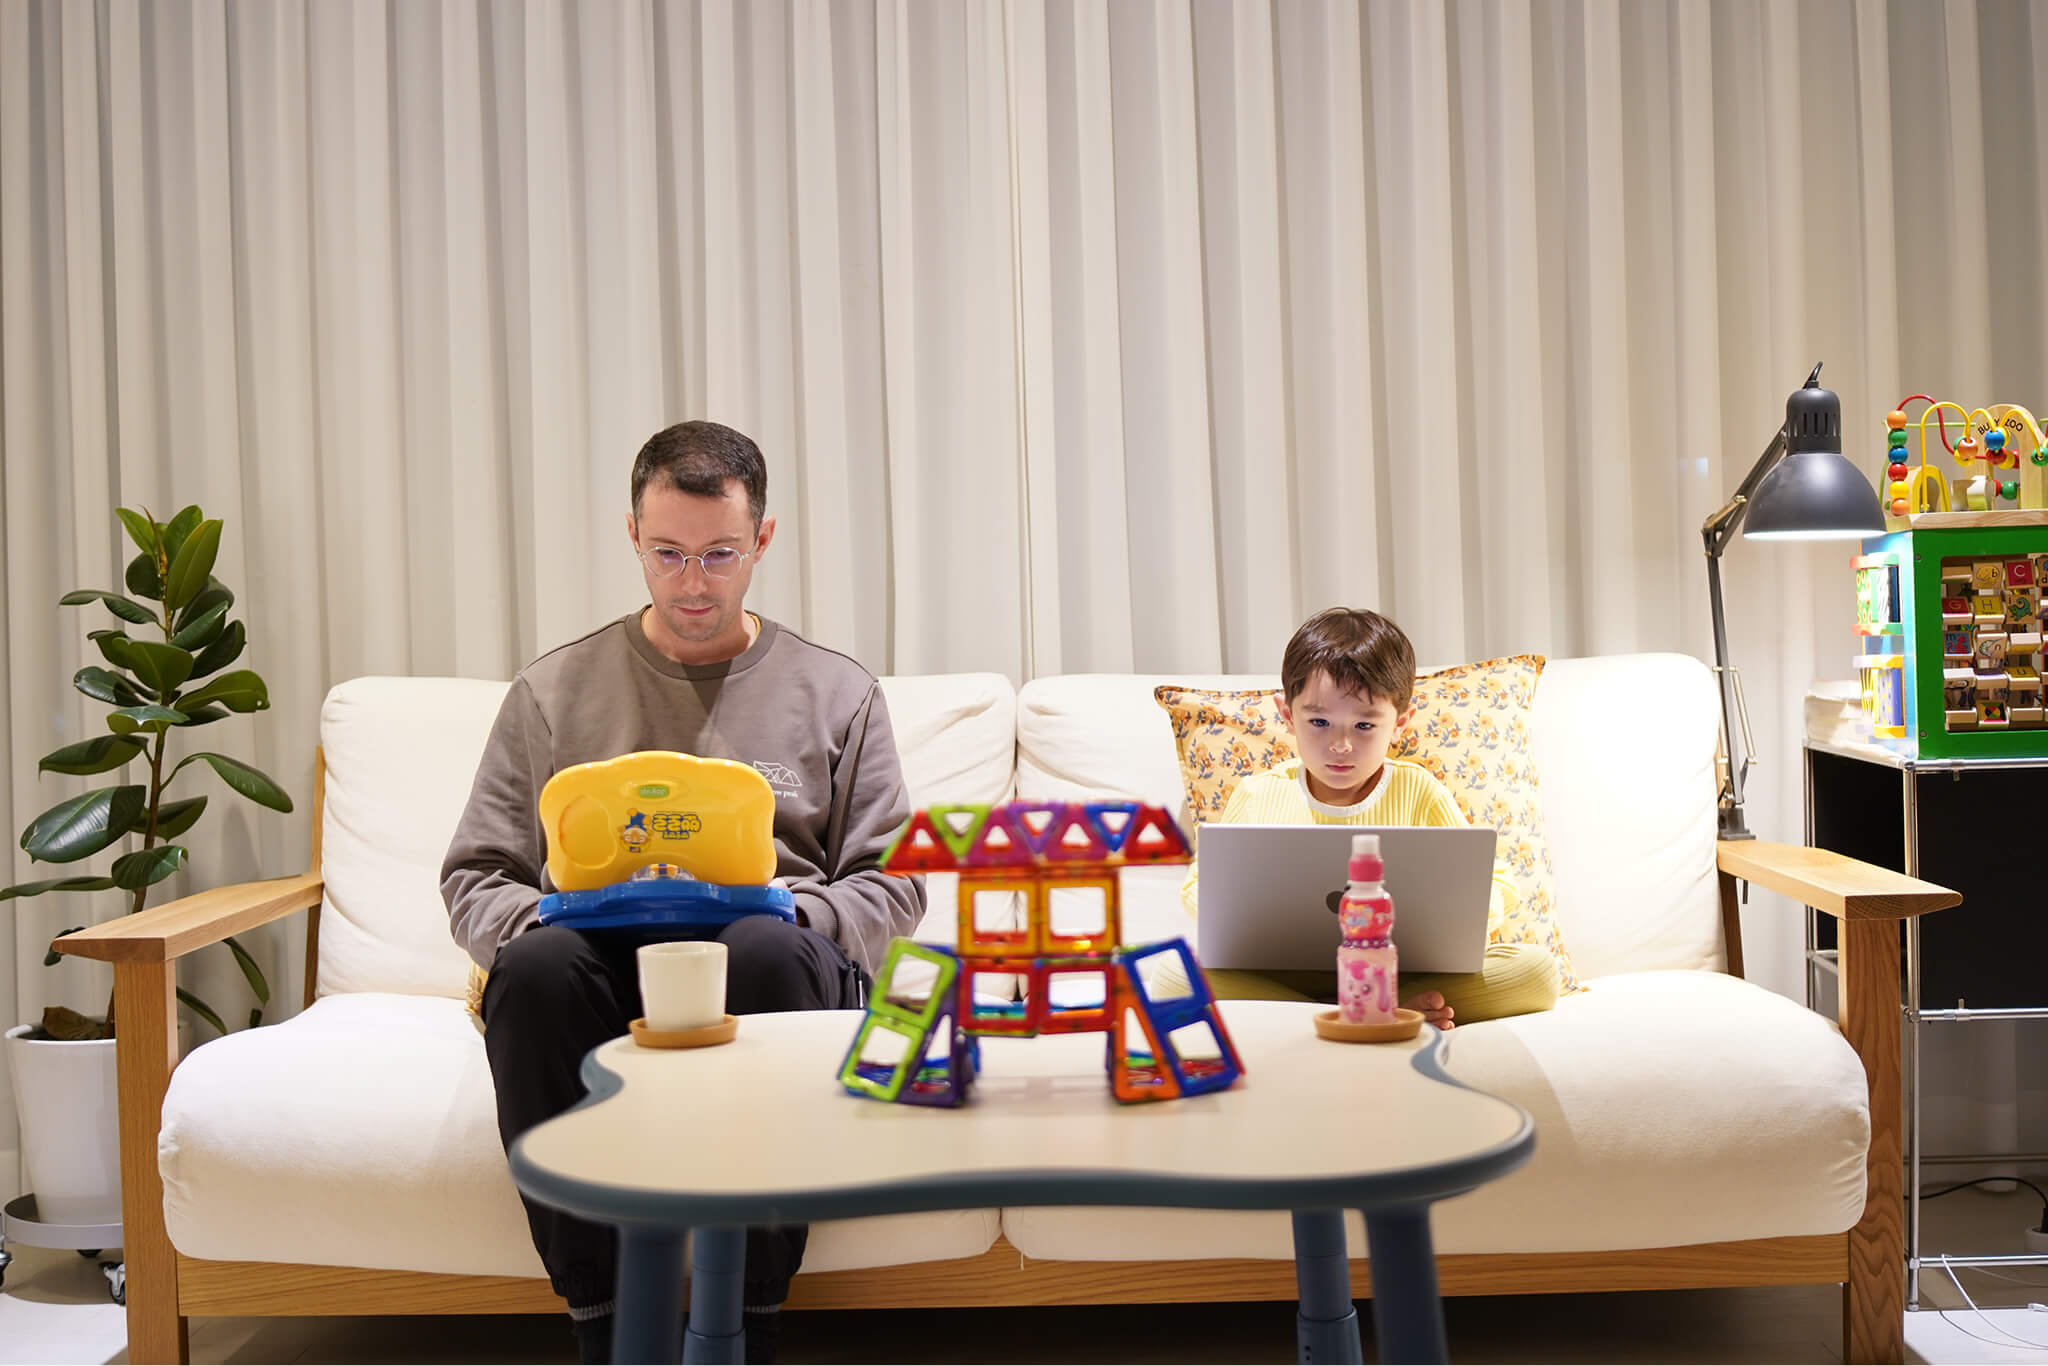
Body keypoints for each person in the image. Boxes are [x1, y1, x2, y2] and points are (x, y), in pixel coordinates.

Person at [441, 421, 923, 1363]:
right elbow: (474, 875)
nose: (693, 583)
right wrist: (546, 913)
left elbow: (894, 881)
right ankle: (602, 1321)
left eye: (719, 555)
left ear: (764, 541)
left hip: (768, 960)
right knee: (535, 972)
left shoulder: (838, 693)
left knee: (763, 946)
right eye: (667, 554)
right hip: (597, 966)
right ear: (632, 535)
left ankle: (746, 1320)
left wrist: (796, 908)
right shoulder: (553, 690)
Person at [1179, 607, 1560, 1029]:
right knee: (1172, 978)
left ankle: (1336, 1012)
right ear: (1287, 714)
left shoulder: (1419, 791)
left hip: (1397, 969)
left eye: (1364, 725)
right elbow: (1199, 885)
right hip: (1284, 974)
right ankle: (1367, 1011)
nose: (1340, 745)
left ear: (1400, 724)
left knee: (1537, 971)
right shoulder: (1257, 794)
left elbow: (1497, 881)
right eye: (1320, 721)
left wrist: (1463, 921)